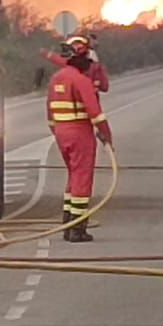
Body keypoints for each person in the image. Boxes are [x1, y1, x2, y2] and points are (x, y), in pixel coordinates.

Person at [46, 36, 113, 242]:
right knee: (82, 179)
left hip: (61, 133)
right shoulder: (81, 81)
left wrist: (57, 131)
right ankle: (77, 229)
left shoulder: (56, 78)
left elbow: (49, 112)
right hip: (80, 133)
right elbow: (96, 113)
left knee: (73, 177)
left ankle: (68, 224)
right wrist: (107, 136)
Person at [40, 31, 109, 93]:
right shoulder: (95, 64)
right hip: (87, 97)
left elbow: (60, 60)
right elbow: (104, 86)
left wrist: (45, 53)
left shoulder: (72, 62)